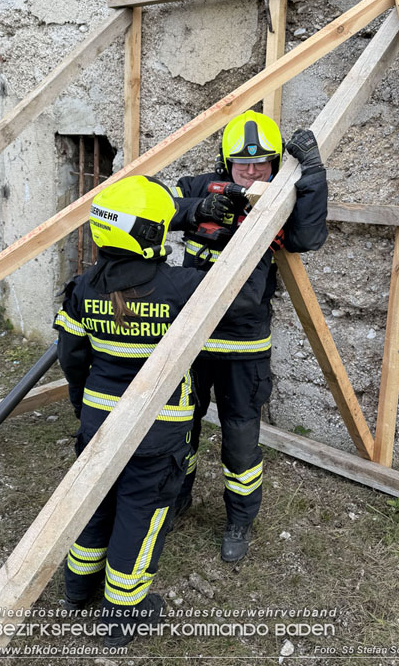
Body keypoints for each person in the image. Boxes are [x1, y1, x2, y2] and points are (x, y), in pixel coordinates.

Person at [53, 174, 271, 647]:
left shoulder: (82, 287)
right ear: (153, 234)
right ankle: (124, 613)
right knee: (141, 512)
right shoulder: (181, 286)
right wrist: (248, 233)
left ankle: (77, 586)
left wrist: (81, 403)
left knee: (94, 502)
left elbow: (71, 357)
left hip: (98, 421)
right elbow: (245, 297)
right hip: (156, 433)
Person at [169, 110, 328, 562]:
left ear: (276, 164)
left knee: (240, 439)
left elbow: (308, 237)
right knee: (180, 428)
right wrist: (196, 210)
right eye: (242, 163)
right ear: (225, 162)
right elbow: (154, 208)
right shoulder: (198, 185)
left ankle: (239, 519)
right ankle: (176, 497)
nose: (253, 171)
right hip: (190, 338)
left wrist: (313, 175)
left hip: (244, 344)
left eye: (262, 163)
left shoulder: (281, 197)